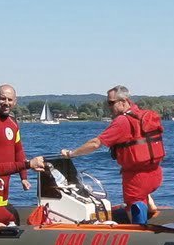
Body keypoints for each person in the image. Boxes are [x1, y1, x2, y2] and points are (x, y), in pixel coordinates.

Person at [60, 85, 166, 224]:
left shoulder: (122, 121)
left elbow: (96, 143)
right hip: (156, 174)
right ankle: (150, 205)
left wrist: (72, 153)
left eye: (111, 103)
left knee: (133, 205)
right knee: (141, 195)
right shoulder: (140, 115)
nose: (108, 107)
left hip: (136, 179)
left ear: (123, 101)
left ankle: (141, 231)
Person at [0, 84, 33, 213]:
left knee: (1, 213)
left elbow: (18, 150)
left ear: (15, 101)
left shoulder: (13, 122)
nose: (6, 103)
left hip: (5, 180)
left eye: (10, 99)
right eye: (3, 99)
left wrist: (23, 177)